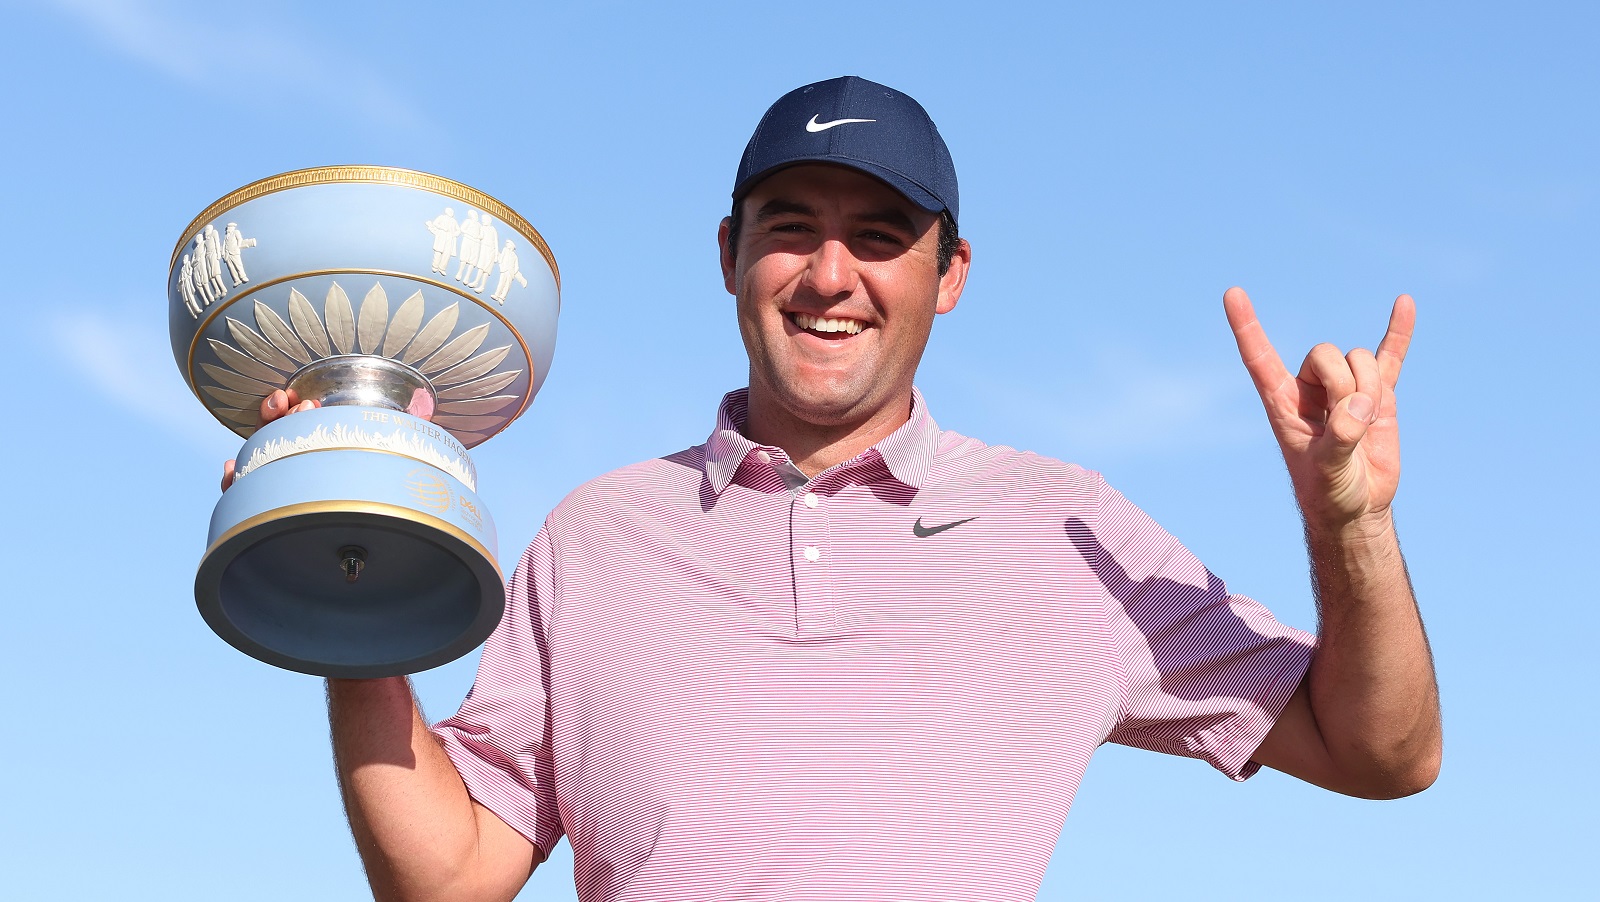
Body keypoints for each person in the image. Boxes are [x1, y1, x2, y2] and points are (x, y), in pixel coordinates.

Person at [235, 76, 1440, 901]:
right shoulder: (594, 535)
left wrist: (1350, 523)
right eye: (790, 225)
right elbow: (447, 873)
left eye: (878, 234)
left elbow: (1380, 750)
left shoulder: (1061, 522)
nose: (828, 274)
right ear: (728, 253)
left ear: (948, 273)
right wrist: (355, 549)